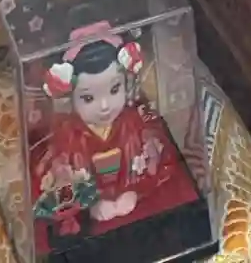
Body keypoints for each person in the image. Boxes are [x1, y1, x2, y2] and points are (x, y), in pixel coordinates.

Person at [31, 29, 197, 245]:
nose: (104, 106)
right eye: (88, 98)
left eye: (114, 89)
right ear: (71, 98)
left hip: (140, 219)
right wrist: (89, 202)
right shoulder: (68, 136)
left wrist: (134, 191)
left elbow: (159, 157)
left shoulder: (134, 122)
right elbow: (55, 179)